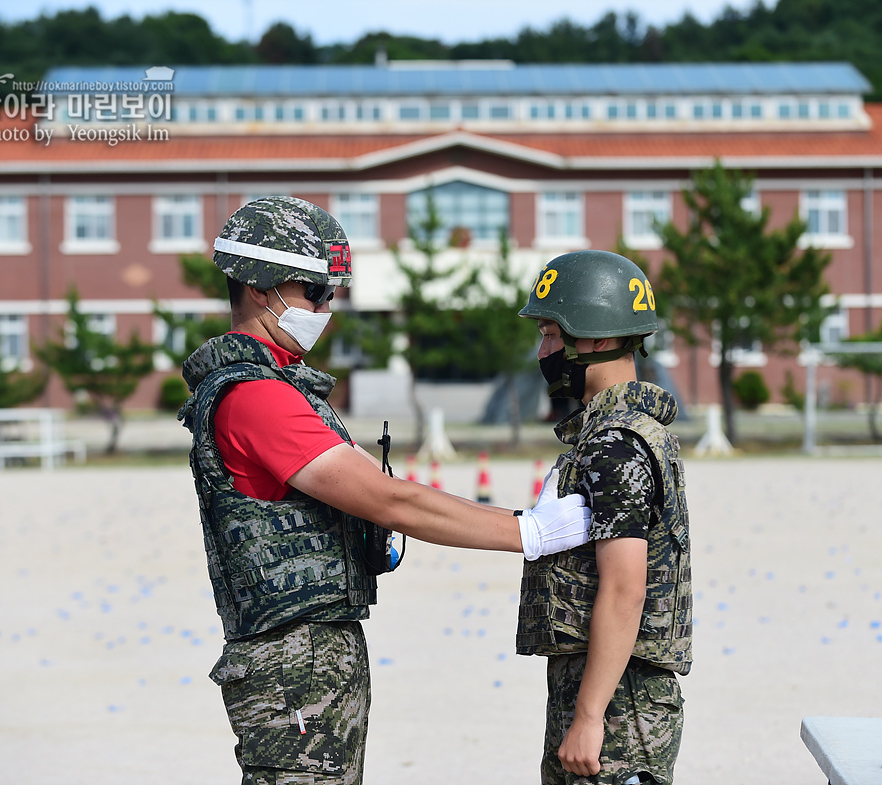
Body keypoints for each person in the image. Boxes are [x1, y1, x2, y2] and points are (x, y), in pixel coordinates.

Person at [177, 196, 593, 785]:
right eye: (313, 291)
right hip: (293, 665)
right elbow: (388, 500)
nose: (325, 307)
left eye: (331, 293)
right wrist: (529, 531)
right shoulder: (257, 397)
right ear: (259, 287)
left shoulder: (278, 385)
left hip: (309, 657)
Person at [516, 250, 694, 785]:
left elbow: (624, 589)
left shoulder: (615, 445)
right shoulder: (622, 430)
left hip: (621, 705)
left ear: (594, 339)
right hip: (611, 688)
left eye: (550, 334)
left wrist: (591, 716)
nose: (543, 350)